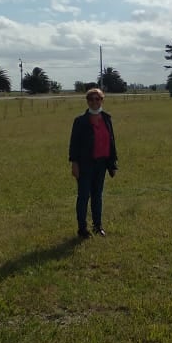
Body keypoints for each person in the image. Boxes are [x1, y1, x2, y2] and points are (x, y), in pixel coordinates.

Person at [68, 88, 118, 239]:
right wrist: (74, 163)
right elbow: (74, 144)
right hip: (85, 165)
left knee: (97, 196)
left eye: (98, 99)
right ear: (87, 101)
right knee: (83, 196)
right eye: (91, 99)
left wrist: (112, 164)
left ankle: (97, 226)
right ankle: (82, 229)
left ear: (102, 100)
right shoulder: (80, 121)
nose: (95, 102)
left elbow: (111, 142)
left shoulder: (107, 118)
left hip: (101, 164)